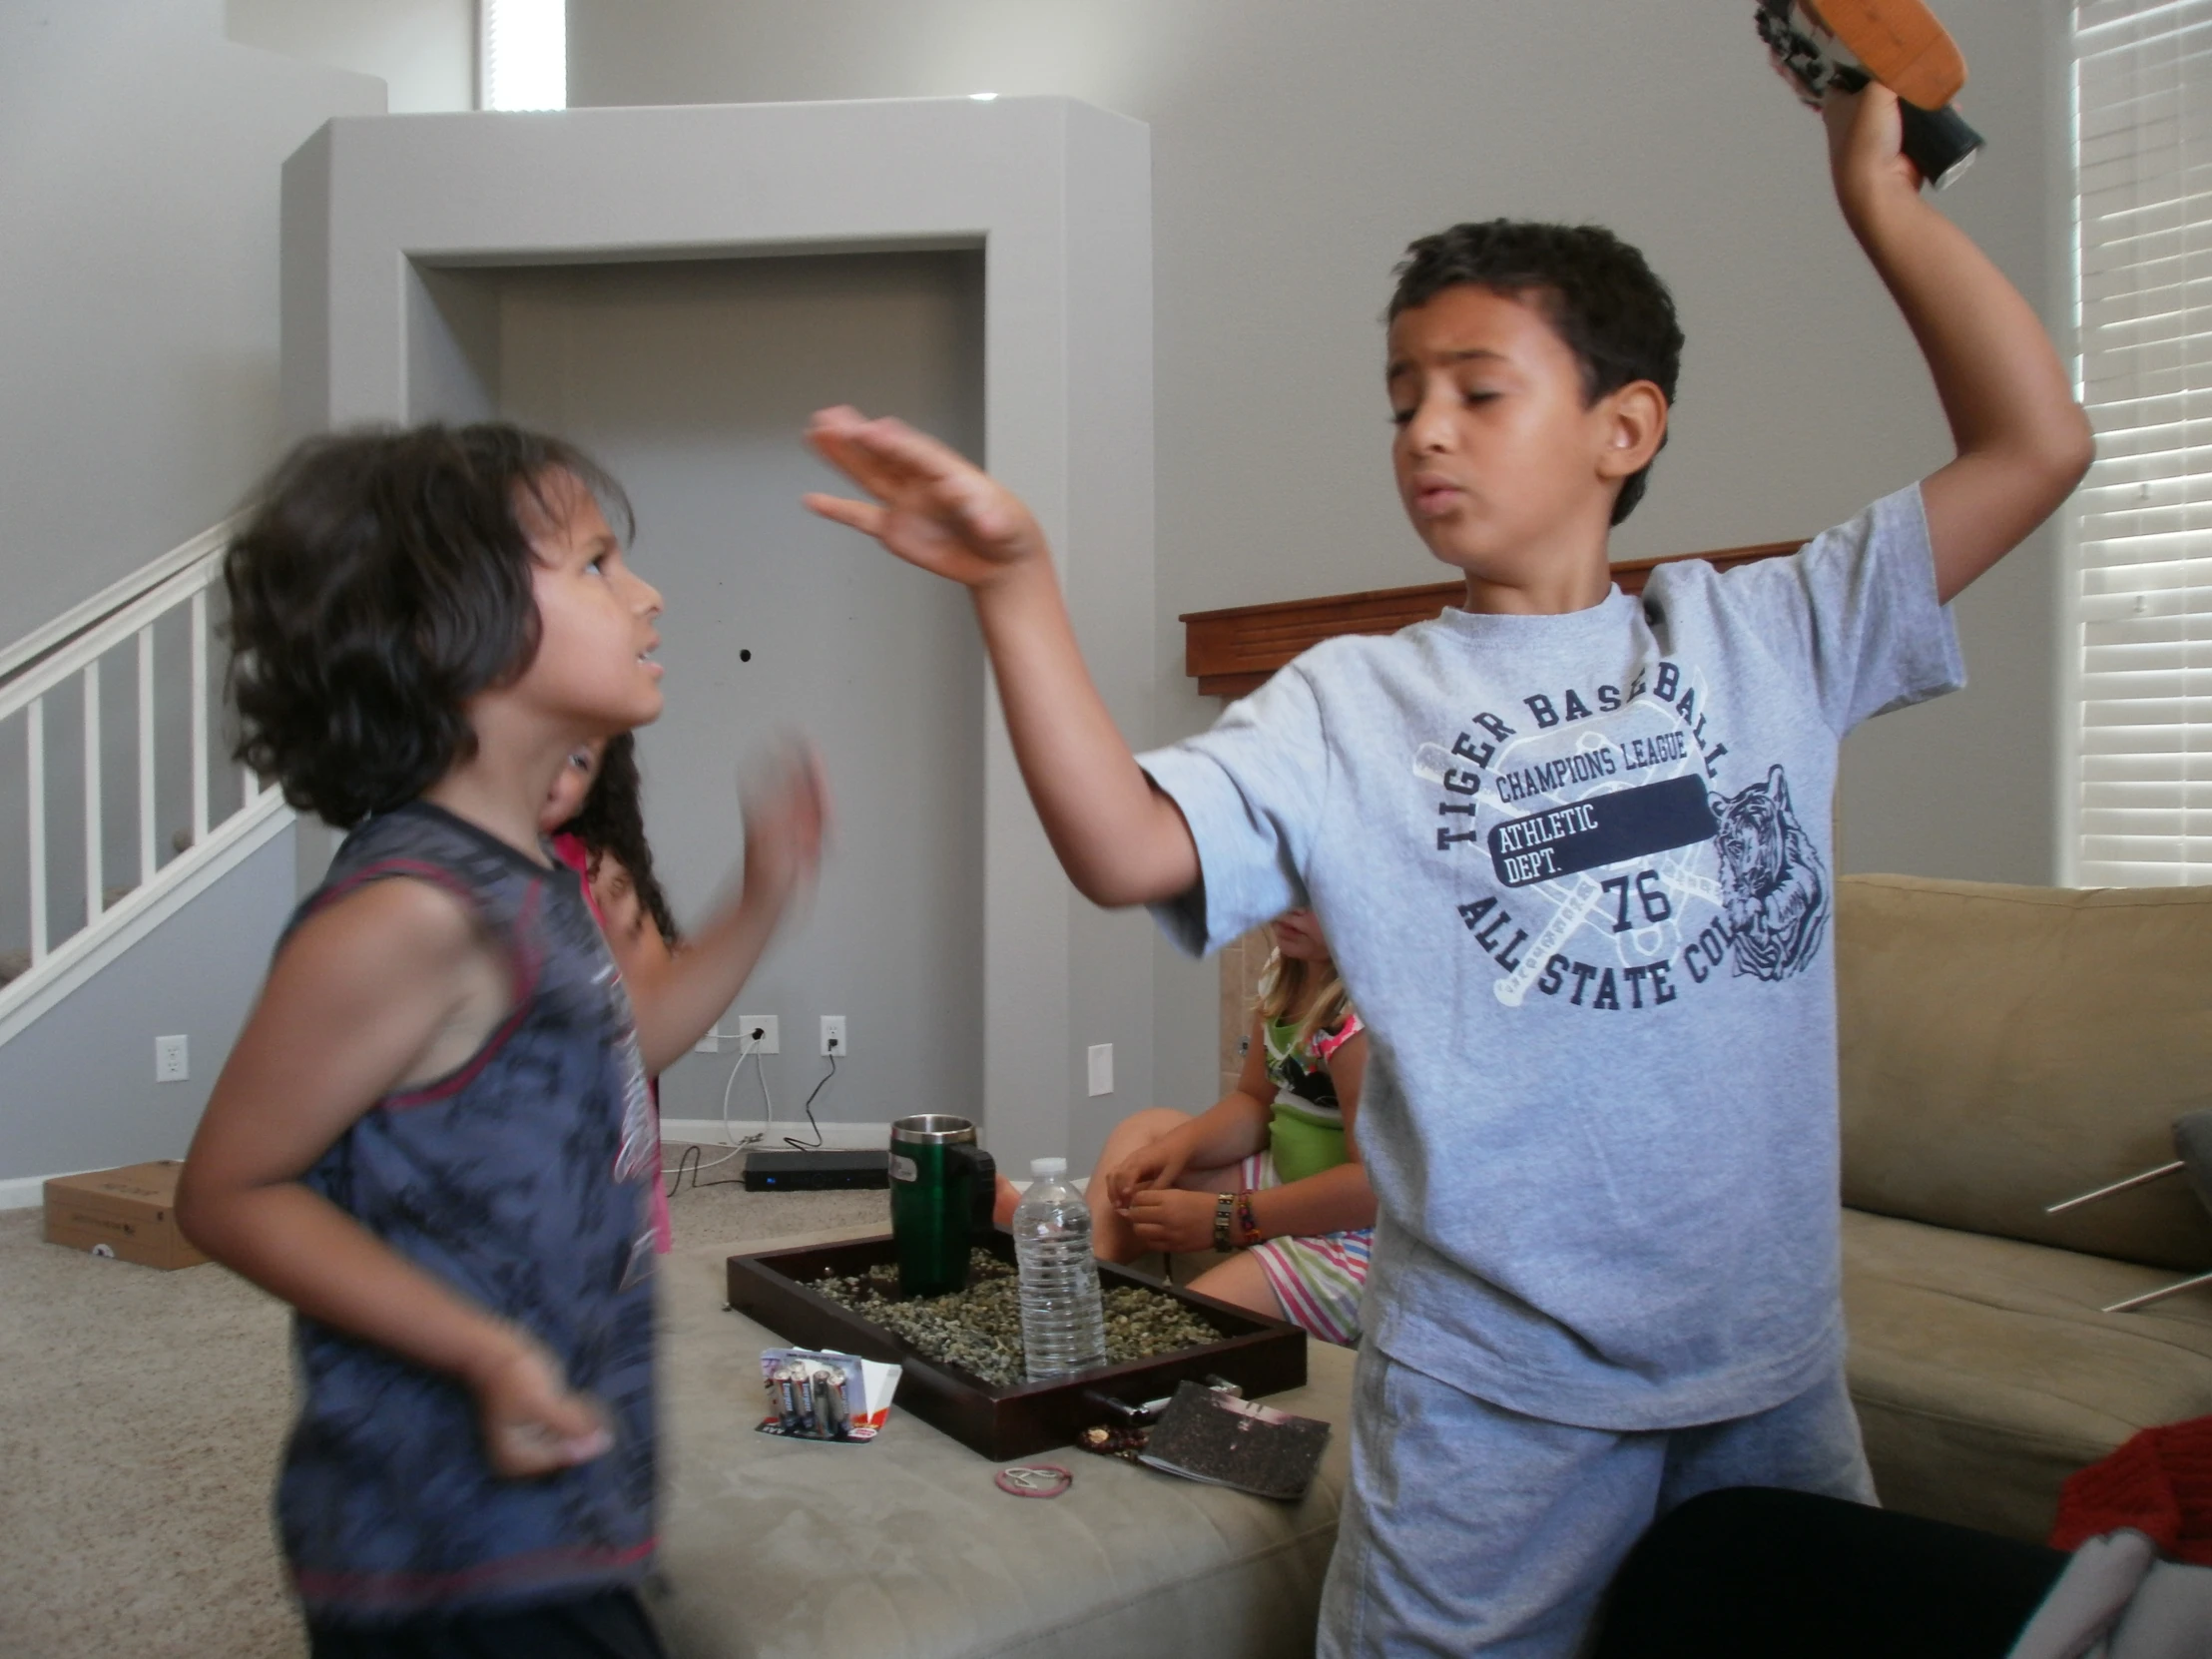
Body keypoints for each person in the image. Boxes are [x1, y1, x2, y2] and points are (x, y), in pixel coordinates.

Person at [800, 82, 2093, 1659]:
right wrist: (1017, 589)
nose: (1422, 426)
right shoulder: (1356, 700)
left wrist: (1883, 210)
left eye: (1480, 390)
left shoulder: (1766, 634)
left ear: (1625, 428)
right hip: (1494, 1396)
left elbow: (2039, 444)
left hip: (1768, 1375)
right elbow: (1122, 840)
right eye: (1403, 391)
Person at [176, 423, 827, 1657]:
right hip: (442, 1548)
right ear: (446, 629)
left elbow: (629, 1042)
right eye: (593, 563)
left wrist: (761, 898)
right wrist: (479, 1352)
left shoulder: (535, 878)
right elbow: (227, 1191)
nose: (646, 594)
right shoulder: (409, 911)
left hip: (560, 1500)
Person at [1001, 908, 1378, 1343]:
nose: (1289, 905)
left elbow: (1372, 1188)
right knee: (1147, 1130)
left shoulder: (1361, 1019)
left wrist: (1227, 1219)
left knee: (1180, 1332)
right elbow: (1254, 1101)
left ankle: (1083, 1299)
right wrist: (1175, 1149)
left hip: (1356, 1236)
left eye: (1314, 895)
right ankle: (1084, 1283)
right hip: (1284, 1174)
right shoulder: (1283, 971)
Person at [539, 733, 683, 1254]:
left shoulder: (599, 872)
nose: (554, 773)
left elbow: (659, 1014)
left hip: (607, 1160)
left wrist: (760, 896)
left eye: (579, 760)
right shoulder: (429, 877)